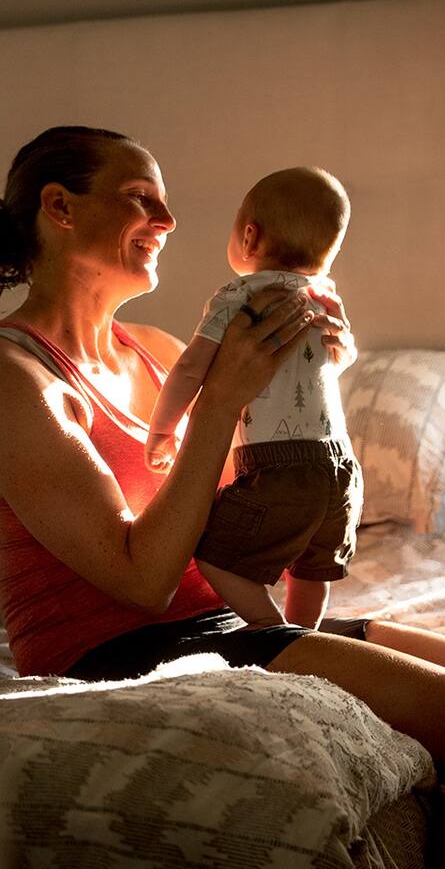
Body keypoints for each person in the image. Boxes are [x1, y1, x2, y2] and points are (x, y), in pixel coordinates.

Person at [0, 125, 445, 867]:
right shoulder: (7, 377)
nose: (169, 221)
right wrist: (218, 406)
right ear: (59, 207)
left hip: (232, 624)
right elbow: (140, 580)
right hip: (131, 650)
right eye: (143, 199)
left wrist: (316, 372)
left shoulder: (161, 351)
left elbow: (259, 504)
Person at [145, 167, 359, 630]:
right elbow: (336, 360)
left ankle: (273, 634)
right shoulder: (323, 302)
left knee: (217, 559)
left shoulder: (236, 297)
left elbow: (189, 368)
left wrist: (163, 430)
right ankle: (309, 642)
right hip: (341, 466)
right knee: (310, 568)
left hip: (278, 464)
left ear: (248, 236)